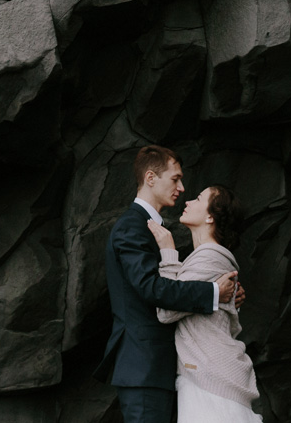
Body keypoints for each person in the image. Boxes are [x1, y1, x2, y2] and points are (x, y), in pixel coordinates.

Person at [97, 146, 241, 423]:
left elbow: (173, 282)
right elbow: (152, 288)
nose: (182, 187)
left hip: (160, 367)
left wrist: (227, 292)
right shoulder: (132, 227)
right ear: (151, 178)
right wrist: (213, 292)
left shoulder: (152, 227)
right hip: (144, 365)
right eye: (175, 179)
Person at [149, 185, 262, 423]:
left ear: (210, 216)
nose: (188, 202)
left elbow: (167, 311)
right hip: (212, 371)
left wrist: (168, 255)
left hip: (210, 375)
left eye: (199, 198)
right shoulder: (211, 258)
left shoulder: (209, 256)